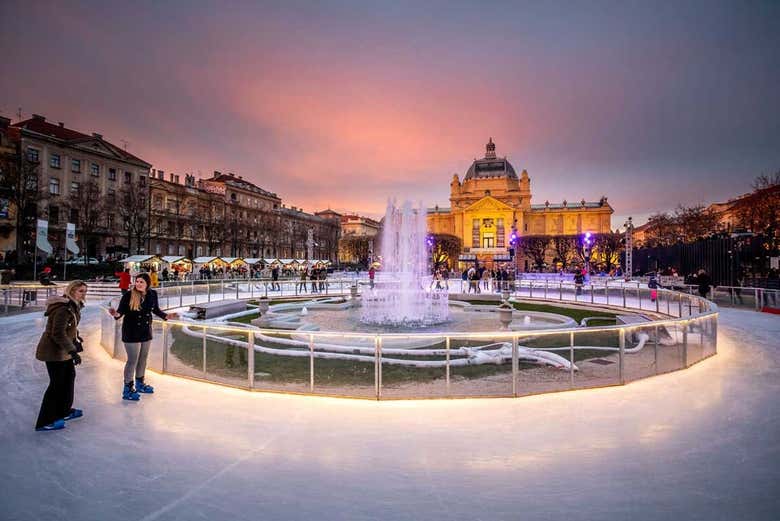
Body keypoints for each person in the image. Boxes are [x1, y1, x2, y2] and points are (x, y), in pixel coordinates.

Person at [109, 273, 178, 401]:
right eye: (137, 281)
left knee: (143, 358)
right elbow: (120, 313)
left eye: (141, 282)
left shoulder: (152, 294)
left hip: (145, 331)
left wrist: (166, 316)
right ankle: (128, 388)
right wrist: (115, 313)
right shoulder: (128, 295)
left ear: (147, 284)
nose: (138, 284)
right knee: (132, 360)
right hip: (131, 331)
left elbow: (155, 310)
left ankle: (140, 383)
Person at [34, 280, 88, 431]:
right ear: (71, 291)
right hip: (53, 351)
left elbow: (70, 327)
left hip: (64, 350)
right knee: (56, 385)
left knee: (69, 379)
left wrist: (76, 338)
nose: (83, 294)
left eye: (84, 291)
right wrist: (72, 351)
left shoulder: (74, 306)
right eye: (80, 291)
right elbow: (57, 332)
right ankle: (45, 421)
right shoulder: (63, 309)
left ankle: (64, 411)